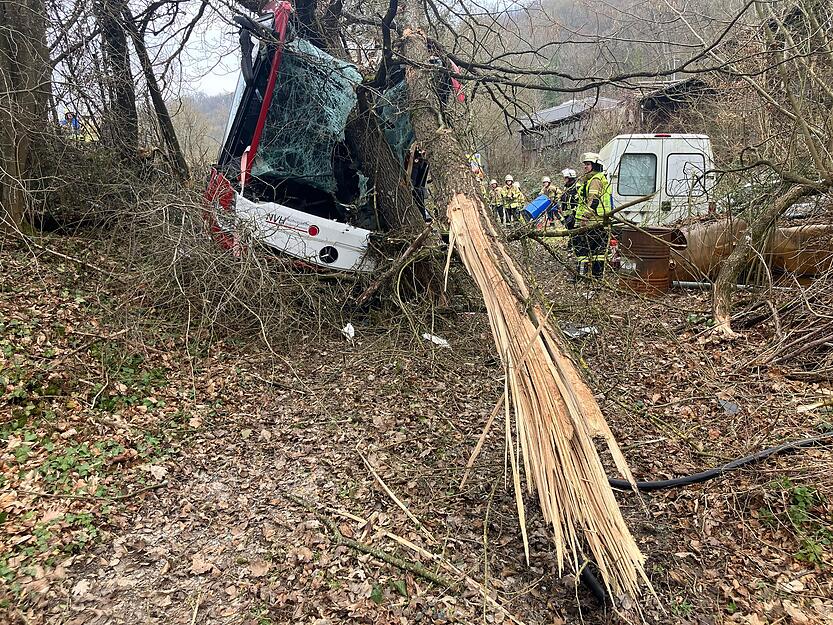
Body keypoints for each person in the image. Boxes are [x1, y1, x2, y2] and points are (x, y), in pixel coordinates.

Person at [575, 152, 612, 279]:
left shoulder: (595, 180)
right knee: (598, 251)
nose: (585, 167)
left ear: (595, 166)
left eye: (588, 164)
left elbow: (594, 201)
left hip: (593, 221)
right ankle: (597, 276)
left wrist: (585, 217)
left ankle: (582, 275)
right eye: (585, 164)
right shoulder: (593, 179)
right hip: (600, 221)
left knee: (583, 248)